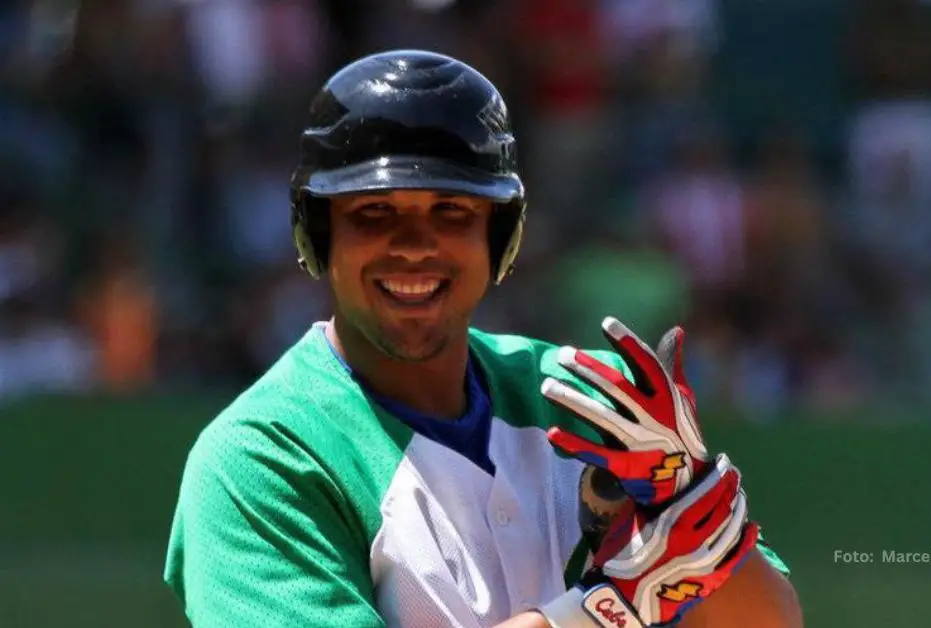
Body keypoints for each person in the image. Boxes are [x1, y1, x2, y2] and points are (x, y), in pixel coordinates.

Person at [163, 49, 803, 628]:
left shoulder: (587, 401)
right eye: (374, 213)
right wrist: (612, 606)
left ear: (500, 240)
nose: (415, 246)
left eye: (452, 213)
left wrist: (688, 503)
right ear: (318, 236)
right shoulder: (261, 459)